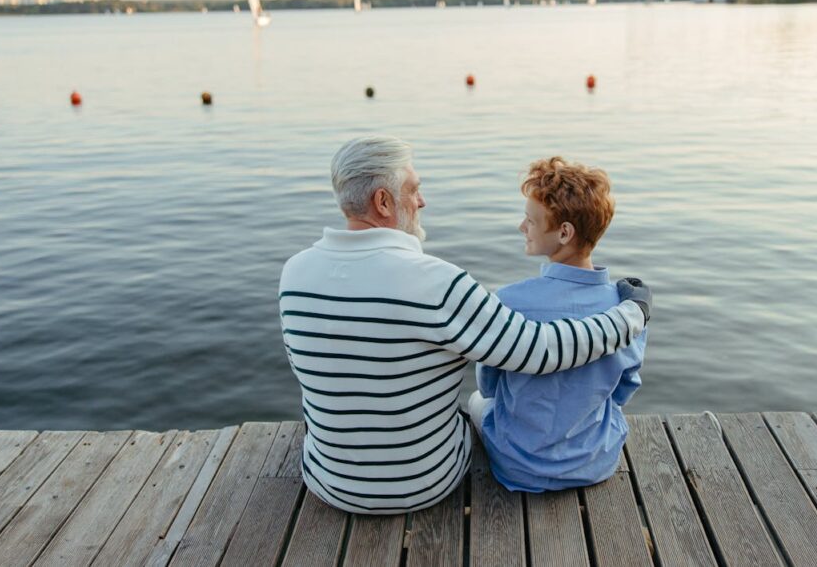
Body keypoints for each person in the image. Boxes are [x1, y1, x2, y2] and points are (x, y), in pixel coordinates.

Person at [279, 137, 652, 514]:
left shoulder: (293, 274)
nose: (421, 201)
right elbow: (540, 350)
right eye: (414, 190)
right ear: (383, 202)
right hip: (425, 484)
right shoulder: (437, 283)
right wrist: (632, 314)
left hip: (329, 482)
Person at [468, 157, 647, 492]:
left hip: (517, 467)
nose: (522, 227)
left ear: (564, 232)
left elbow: (490, 386)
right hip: (595, 464)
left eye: (531, 221)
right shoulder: (627, 310)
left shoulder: (508, 302)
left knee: (477, 400)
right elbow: (624, 390)